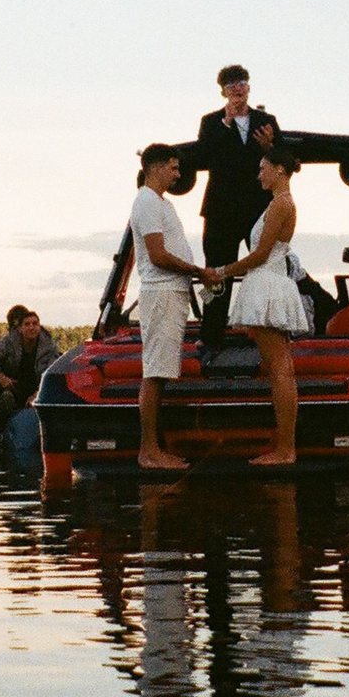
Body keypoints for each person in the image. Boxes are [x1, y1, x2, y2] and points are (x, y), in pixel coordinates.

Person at [130, 142, 223, 469]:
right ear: (155, 167)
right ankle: (149, 451)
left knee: (161, 370)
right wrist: (198, 271)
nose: (178, 174)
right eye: (173, 167)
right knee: (155, 372)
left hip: (172, 293)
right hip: (161, 294)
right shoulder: (146, 203)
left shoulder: (159, 203)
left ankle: (153, 449)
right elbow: (157, 255)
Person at [219, 146, 313, 466]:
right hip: (269, 282)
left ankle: (285, 450)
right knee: (279, 368)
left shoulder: (280, 205)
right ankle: (285, 447)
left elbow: (260, 255)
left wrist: (221, 271)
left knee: (280, 370)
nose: (259, 174)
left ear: (279, 170)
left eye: (263, 168)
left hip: (267, 284)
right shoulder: (279, 204)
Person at [195, 65, 280, 351]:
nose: (237, 88)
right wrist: (227, 125)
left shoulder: (266, 120)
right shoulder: (211, 122)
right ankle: (211, 335)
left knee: (269, 265)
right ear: (223, 91)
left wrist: (270, 147)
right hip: (221, 210)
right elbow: (204, 155)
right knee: (216, 273)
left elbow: (285, 162)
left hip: (257, 208)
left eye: (242, 82)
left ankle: (273, 328)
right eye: (231, 85)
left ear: (249, 87)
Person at [0, 305, 59, 419]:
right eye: (27, 324)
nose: (31, 327)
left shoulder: (49, 346)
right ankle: (0, 429)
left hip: (38, 390)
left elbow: (52, 373)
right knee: (5, 397)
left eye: (35, 324)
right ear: (20, 328)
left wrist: (37, 394)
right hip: (14, 388)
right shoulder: (9, 341)